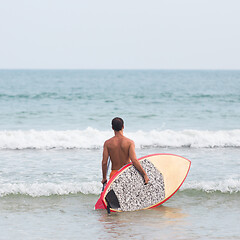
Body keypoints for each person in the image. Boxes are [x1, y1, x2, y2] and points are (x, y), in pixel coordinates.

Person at [101, 117, 149, 185]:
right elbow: (134, 160)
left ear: (112, 127)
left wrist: (104, 178)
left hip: (114, 175)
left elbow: (104, 162)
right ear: (123, 126)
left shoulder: (108, 143)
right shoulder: (129, 142)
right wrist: (144, 174)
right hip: (126, 173)